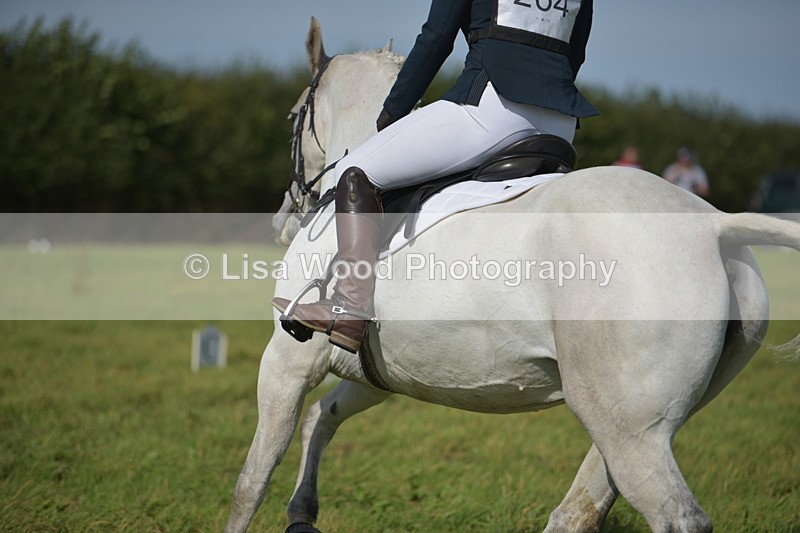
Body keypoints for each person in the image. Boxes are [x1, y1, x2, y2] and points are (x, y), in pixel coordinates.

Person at [273, 0, 598, 353]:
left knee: (358, 171)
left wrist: (393, 111)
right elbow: (574, 51)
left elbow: (436, 38)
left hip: (490, 105)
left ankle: (349, 306)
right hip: (562, 121)